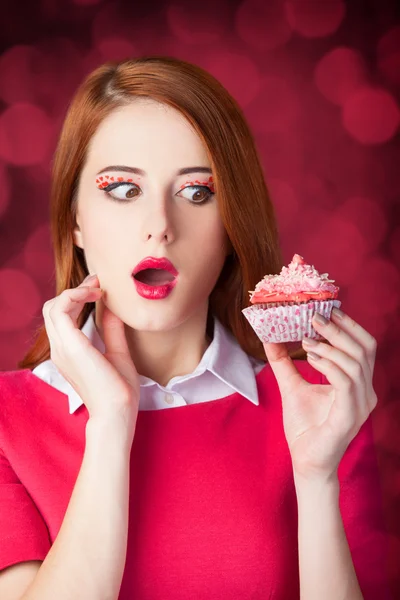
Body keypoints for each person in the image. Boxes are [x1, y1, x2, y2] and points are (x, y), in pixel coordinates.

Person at [0, 56, 392, 600]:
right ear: (75, 220)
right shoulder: (5, 420)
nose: (160, 226)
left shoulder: (324, 408)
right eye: (122, 189)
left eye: (197, 193)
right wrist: (112, 424)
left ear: (231, 225)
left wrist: (317, 479)